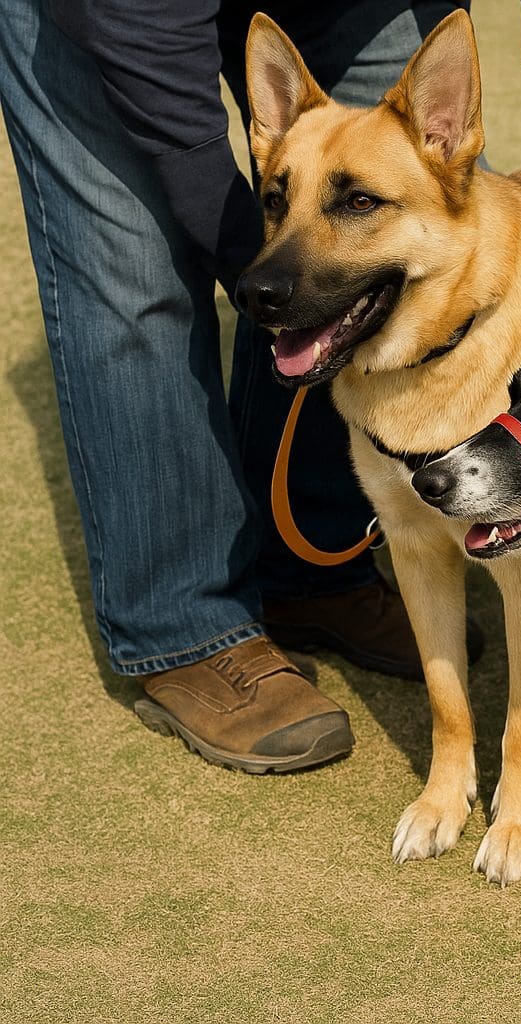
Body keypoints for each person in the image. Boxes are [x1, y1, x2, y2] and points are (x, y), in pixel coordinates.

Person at [0, 0, 478, 774]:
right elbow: (133, 30)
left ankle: (310, 568)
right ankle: (185, 629)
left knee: (416, 212)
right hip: (118, 12)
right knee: (138, 272)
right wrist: (264, 272)